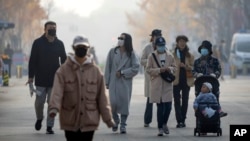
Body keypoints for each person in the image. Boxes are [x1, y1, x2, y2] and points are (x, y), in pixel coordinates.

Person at [49, 35, 115, 141]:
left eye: (84, 47)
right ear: (74, 48)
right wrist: (54, 108)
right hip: (70, 118)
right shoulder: (64, 70)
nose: (81, 49)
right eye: (79, 47)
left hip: (89, 119)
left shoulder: (95, 71)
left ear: (88, 49)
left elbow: (102, 97)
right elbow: (57, 91)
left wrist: (108, 119)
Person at [26, 21, 67, 134]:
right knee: (39, 103)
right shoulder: (38, 43)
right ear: (45, 29)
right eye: (50, 28)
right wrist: (30, 77)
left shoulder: (59, 44)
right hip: (40, 79)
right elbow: (32, 60)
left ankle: (49, 126)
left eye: (54, 28)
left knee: (52, 103)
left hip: (55, 79)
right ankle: (39, 118)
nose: (53, 30)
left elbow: (64, 60)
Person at [104, 33, 140, 134]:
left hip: (125, 82)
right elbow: (108, 67)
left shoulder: (131, 53)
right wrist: (107, 81)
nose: (120, 40)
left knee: (124, 104)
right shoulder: (113, 51)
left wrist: (123, 72)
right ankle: (116, 120)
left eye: (122, 38)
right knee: (113, 103)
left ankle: (123, 125)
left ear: (127, 41)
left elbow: (136, 68)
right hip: (113, 82)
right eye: (119, 38)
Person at [146, 36, 176, 136]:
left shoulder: (170, 56)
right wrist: (159, 70)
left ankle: (164, 123)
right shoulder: (151, 56)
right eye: (159, 46)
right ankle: (160, 128)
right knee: (160, 107)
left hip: (167, 85)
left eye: (163, 45)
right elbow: (148, 70)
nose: (161, 47)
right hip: (157, 85)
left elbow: (175, 68)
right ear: (156, 46)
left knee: (168, 107)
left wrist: (169, 69)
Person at [193, 40, 227, 117]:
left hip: (213, 85)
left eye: (205, 48)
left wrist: (215, 75)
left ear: (209, 50)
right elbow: (193, 71)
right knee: (200, 102)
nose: (203, 50)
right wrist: (197, 74)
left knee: (215, 101)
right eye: (202, 48)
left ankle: (218, 114)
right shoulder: (197, 61)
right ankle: (200, 117)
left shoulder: (215, 61)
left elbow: (219, 70)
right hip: (200, 86)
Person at [140, 29, 162, 127]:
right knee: (149, 100)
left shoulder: (163, 47)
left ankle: (160, 122)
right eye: (155, 36)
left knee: (159, 101)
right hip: (150, 77)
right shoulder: (147, 48)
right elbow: (141, 61)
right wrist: (150, 61)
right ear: (152, 37)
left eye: (159, 36)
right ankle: (147, 121)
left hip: (159, 76)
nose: (157, 37)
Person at [172, 35, 194, 128]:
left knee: (185, 101)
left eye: (184, 41)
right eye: (180, 41)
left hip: (186, 81)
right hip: (175, 81)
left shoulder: (190, 55)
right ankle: (179, 120)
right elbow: (169, 66)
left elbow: (194, 68)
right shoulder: (172, 54)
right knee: (177, 101)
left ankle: (183, 119)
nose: (182, 43)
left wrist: (186, 66)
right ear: (177, 43)